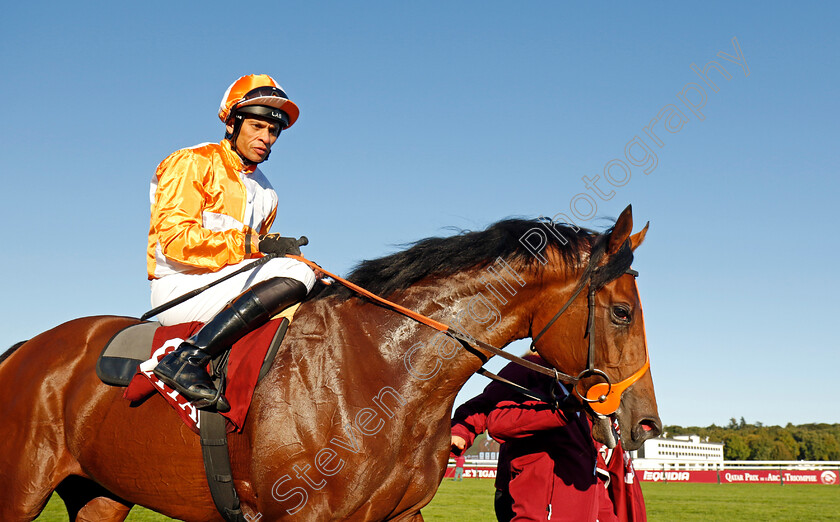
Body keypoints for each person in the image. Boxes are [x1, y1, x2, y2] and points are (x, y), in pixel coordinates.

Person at [147, 74, 317, 412]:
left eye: (273, 131)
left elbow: (255, 256)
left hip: (227, 287)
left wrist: (269, 247)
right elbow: (174, 241)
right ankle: (185, 359)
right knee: (298, 274)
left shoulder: (268, 192)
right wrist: (252, 244)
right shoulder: (193, 162)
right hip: (181, 286)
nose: (266, 137)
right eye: (257, 126)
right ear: (232, 123)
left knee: (317, 280)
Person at [451, 354, 646, 522]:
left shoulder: (579, 391)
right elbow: (491, 410)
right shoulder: (531, 367)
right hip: (530, 498)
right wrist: (461, 431)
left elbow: (590, 474)